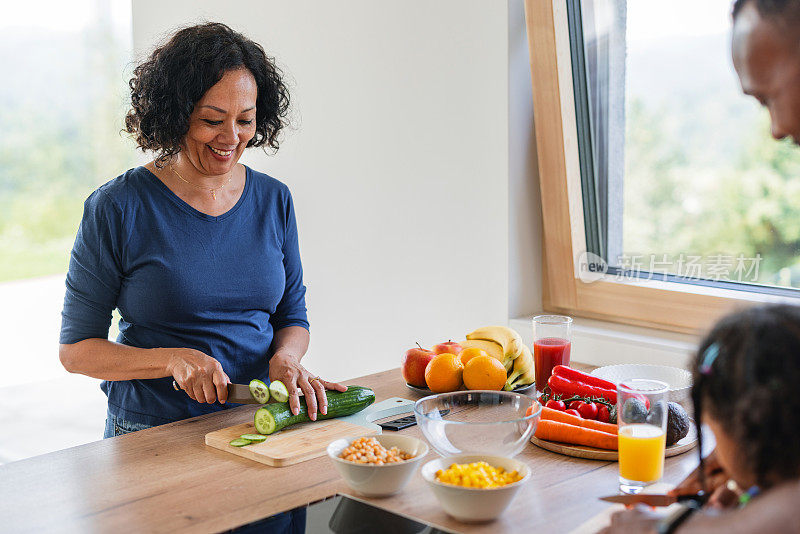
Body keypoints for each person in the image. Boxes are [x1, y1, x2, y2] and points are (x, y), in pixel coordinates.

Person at [59, 22, 345, 440]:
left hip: (261, 421)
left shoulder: (274, 199)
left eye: (245, 120)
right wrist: (171, 360)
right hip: (152, 430)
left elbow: (292, 315)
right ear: (175, 117)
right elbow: (76, 351)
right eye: (213, 120)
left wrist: (287, 358)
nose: (231, 138)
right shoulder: (118, 207)